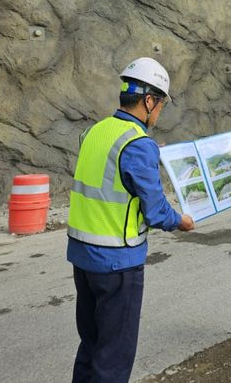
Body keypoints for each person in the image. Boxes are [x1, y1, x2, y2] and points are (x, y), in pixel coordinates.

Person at [67, 57, 195, 383]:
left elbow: (114, 167)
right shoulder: (138, 144)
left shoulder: (95, 131)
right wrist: (180, 220)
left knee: (92, 347)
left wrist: (149, 148)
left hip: (82, 258)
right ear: (149, 100)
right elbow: (155, 210)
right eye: (161, 104)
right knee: (113, 360)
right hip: (117, 265)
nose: (160, 112)